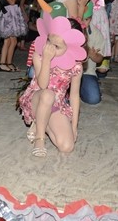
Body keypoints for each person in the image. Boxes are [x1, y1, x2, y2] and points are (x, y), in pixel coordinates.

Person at [18, 13, 87, 157]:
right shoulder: (39, 56)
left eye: (57, 46)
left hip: (56, 105)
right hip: (37, 98)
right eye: (49, 41)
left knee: (67, 147)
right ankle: (40, 138)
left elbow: (74, 96)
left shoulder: (76, 67)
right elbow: (43, 85)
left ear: (70, 47)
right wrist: (47, 60)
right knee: (48, 94)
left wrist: (74, 126)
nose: (50, 48)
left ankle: (40, 123)